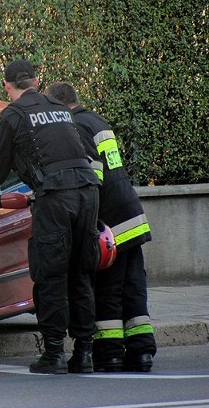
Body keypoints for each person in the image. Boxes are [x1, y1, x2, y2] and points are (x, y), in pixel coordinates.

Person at [0, 60, 101, 374]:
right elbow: (78, 153)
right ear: (38, 81)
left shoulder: (12, 116)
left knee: (50, 275)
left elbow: (0, 166)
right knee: (81, 275)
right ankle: (84, 355)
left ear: (6, 85)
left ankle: (53, 355)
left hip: (56, 198)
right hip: (87, 192)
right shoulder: (59, 107)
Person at [46, 81, 156, 372]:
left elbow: (91, 177)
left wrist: (87, 222)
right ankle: (141, 351)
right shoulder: (96, 120)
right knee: (133, 285)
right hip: (130, 214)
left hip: (110, 222)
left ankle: (109, 352)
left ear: (59, 106)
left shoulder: (76, 127)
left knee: (108, 287)